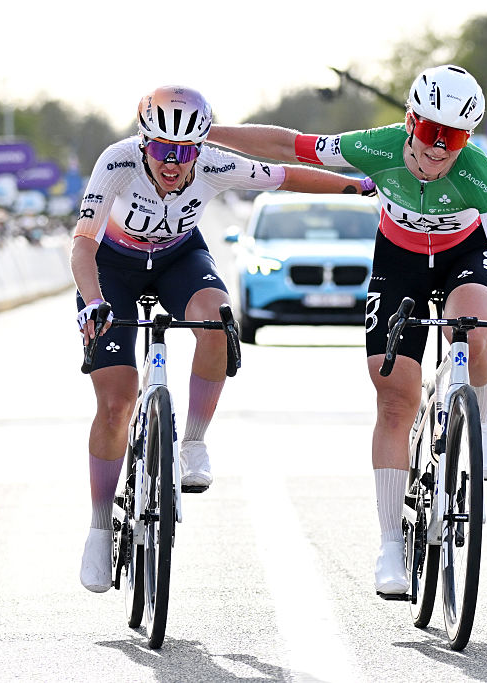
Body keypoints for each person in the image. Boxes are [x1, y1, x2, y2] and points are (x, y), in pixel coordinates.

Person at [207, 65, 487, 596]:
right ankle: (390, 546)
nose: (440, 148)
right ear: (411, 121)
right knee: (395, 401)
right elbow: (289, 145)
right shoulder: (378, 147)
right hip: (400, 259)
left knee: (473, 329)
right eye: (431, 132)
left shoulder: (479, 174)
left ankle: (481, 422)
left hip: (464, 257)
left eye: (456, 137)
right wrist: (208, 131)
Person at [71, 85, 372, 593]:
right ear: (144, 143)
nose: (174, 163)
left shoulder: (211, 164)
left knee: (217, 320)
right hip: (112, 270)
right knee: (116, 402)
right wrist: (95, 303)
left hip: (178, 260)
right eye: (163, 150)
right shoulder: (117, 162)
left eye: (185, 152)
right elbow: (82, 245)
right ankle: (100, 528)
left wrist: (359, 187)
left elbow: (285, 177)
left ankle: (192, 443)